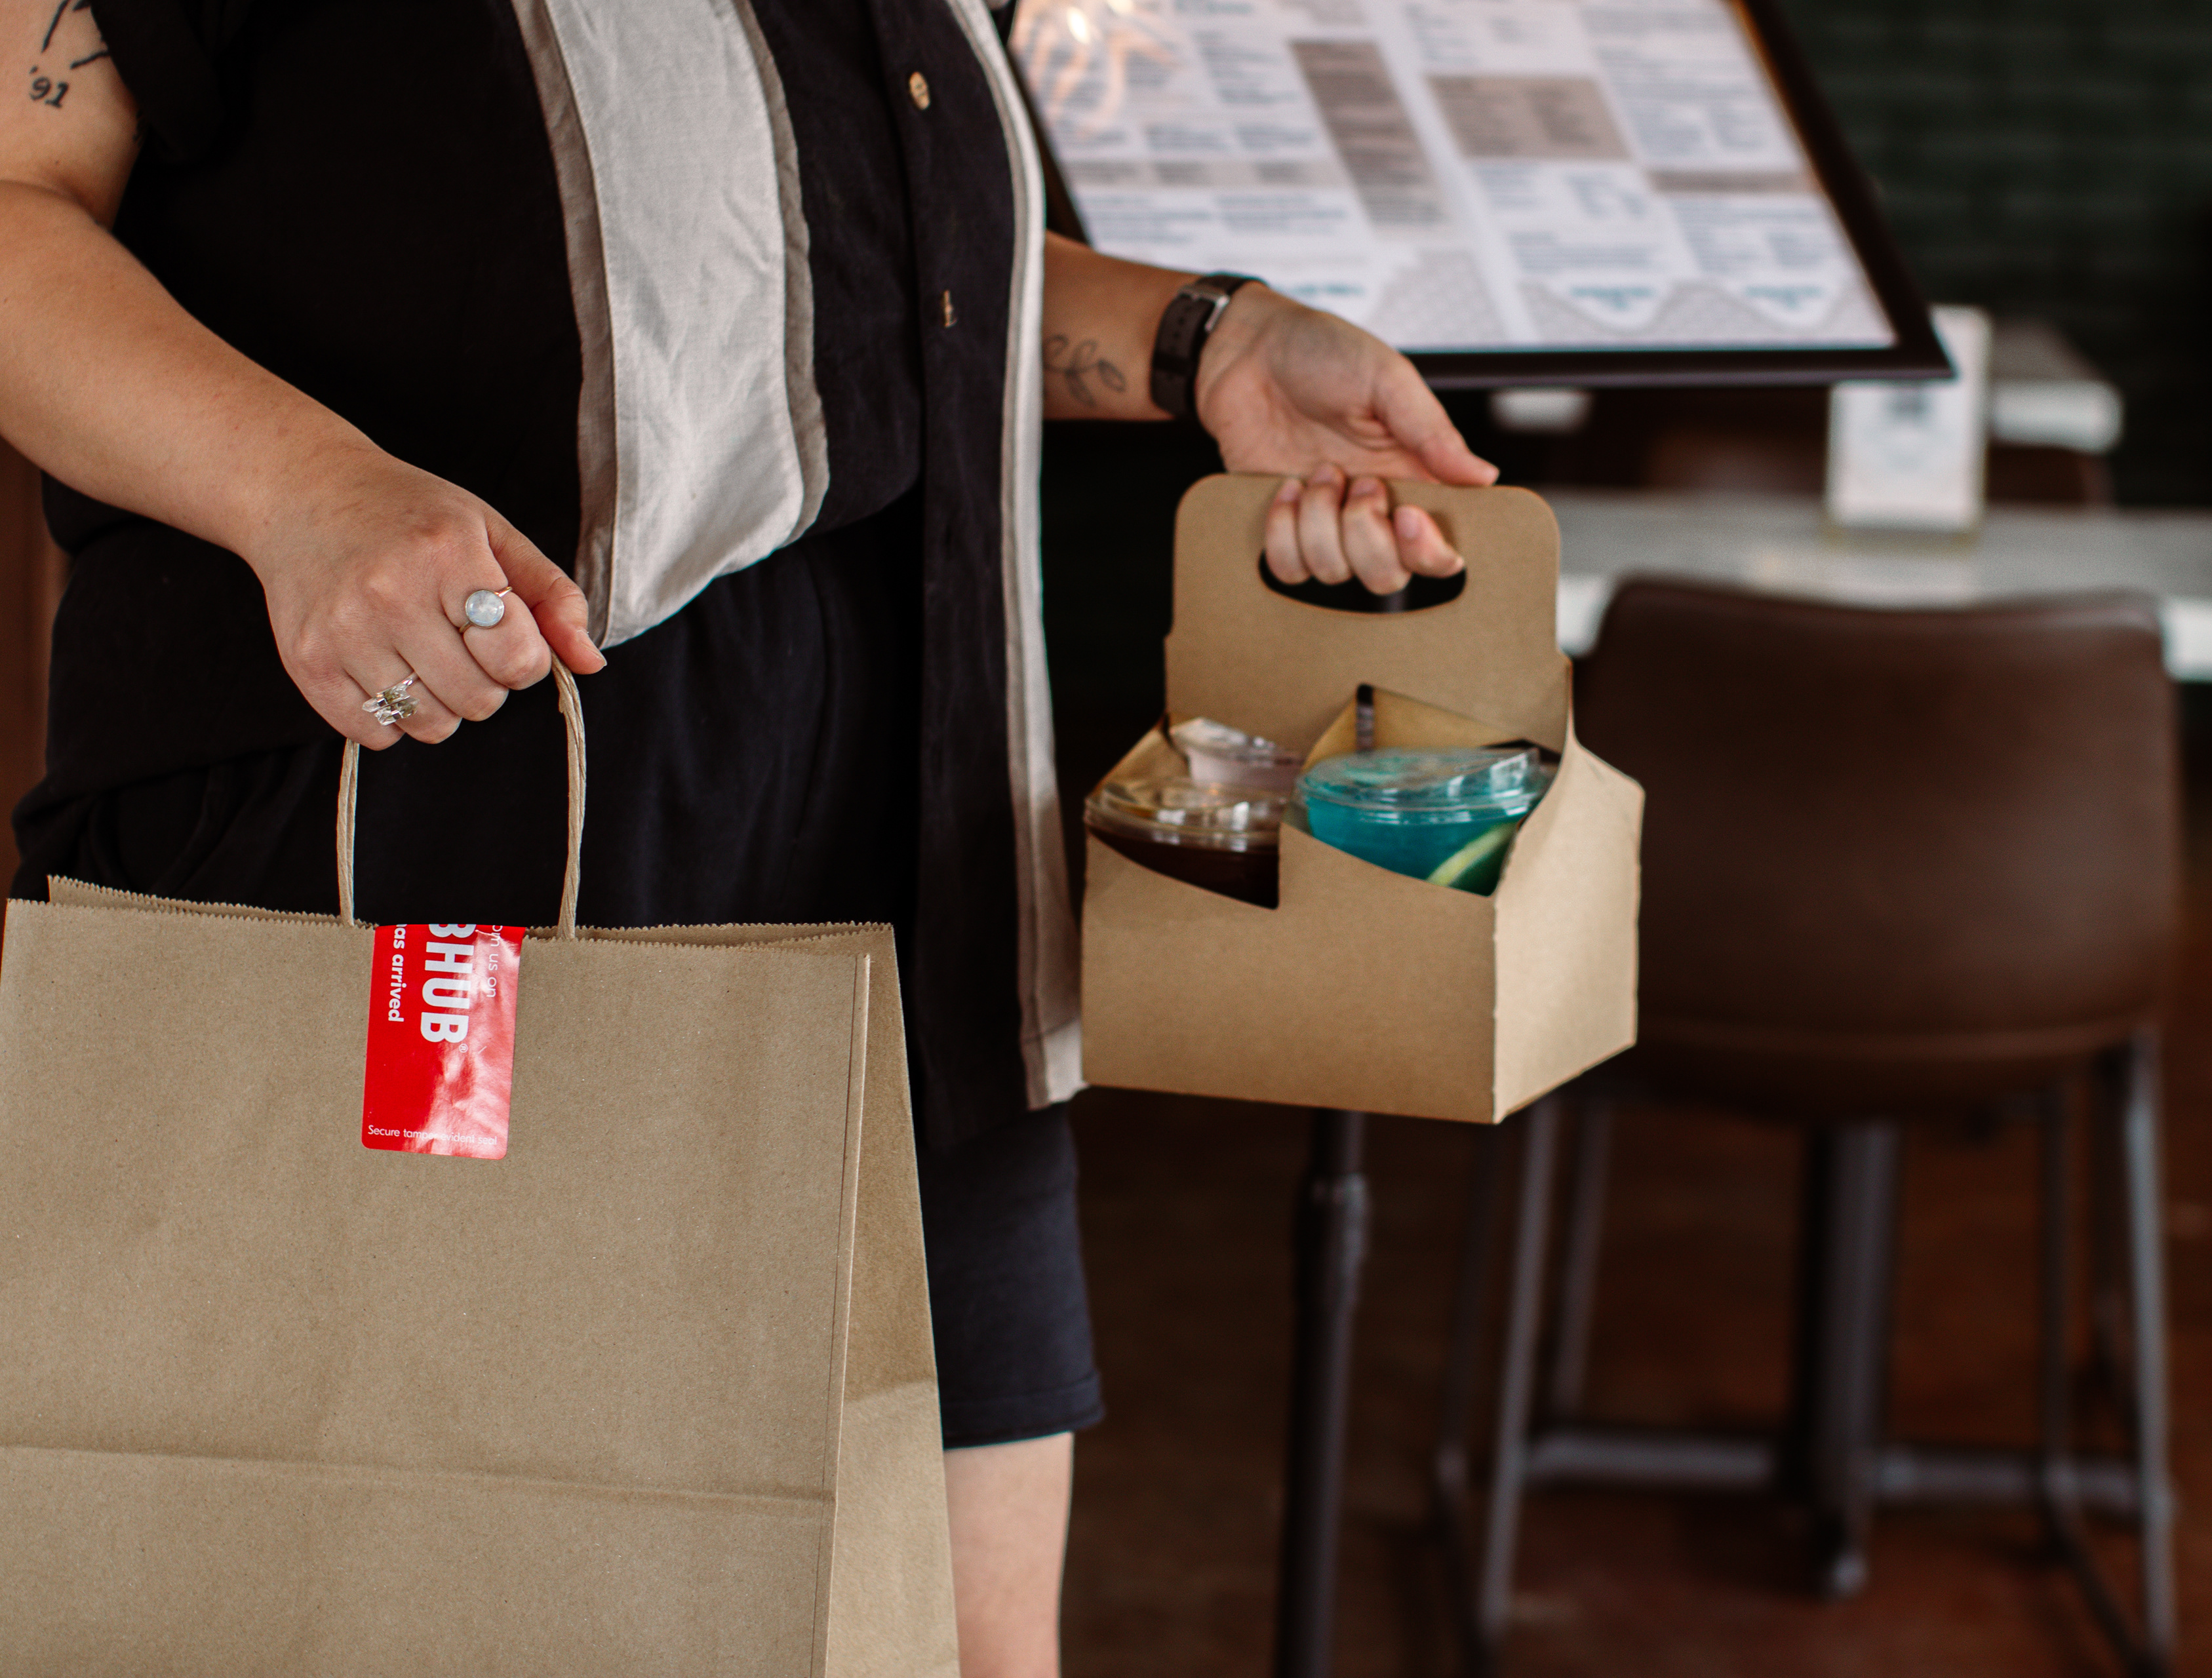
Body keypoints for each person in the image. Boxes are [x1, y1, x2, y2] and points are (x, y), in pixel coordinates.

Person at [0, 1, 1494, 1671]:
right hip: (429, 883)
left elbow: (850, 267)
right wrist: (301, 489)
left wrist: (1206, 341)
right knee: (397, 1612)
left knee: (965, 1639)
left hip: (913, 896)